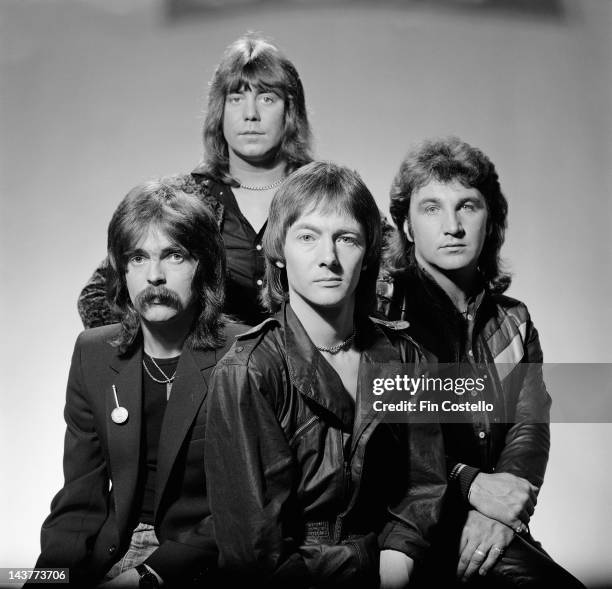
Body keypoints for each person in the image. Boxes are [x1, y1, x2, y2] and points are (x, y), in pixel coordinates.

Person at [204, 161, 447, 588]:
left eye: (346, 239)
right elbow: (251, 550)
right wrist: (363, 563)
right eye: (307, 237)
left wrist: (398, 557)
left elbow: (424, 485)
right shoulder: (249, 370)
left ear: (368, 253)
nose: (328, 258)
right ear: (279, 253)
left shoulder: (411, 360)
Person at [377, 137, 585, 587]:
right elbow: (383, 441)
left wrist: (501, 514)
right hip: (402, 524)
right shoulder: (384, 313)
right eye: (431, 208)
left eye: (467, 206)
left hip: (487, 524)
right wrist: (470, 484)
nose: (452, 225)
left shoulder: (514, 320)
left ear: (490, 219)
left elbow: (529, 426)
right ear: (407, 227)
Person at [35, 182, 247, 588]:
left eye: (174, 255)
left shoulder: (244, 354)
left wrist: (147, 576)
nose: (155, 275)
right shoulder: (93, 353)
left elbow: (244, 506)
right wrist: (47, 577)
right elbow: (79, 499)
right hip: (113, 548)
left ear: (202, 264)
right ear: (122, 270)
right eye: (138, 257)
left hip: (203, 556)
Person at [78, 34, 312, 329]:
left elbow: (384, 270)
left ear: (290, 110)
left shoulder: (324, 193)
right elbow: (97, 297)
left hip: (306, 372)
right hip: (211, 372)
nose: (251, 114)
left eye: (267, 98)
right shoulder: (183, 199)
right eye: (236, 98)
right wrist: (165, 359)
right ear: (220, 110)